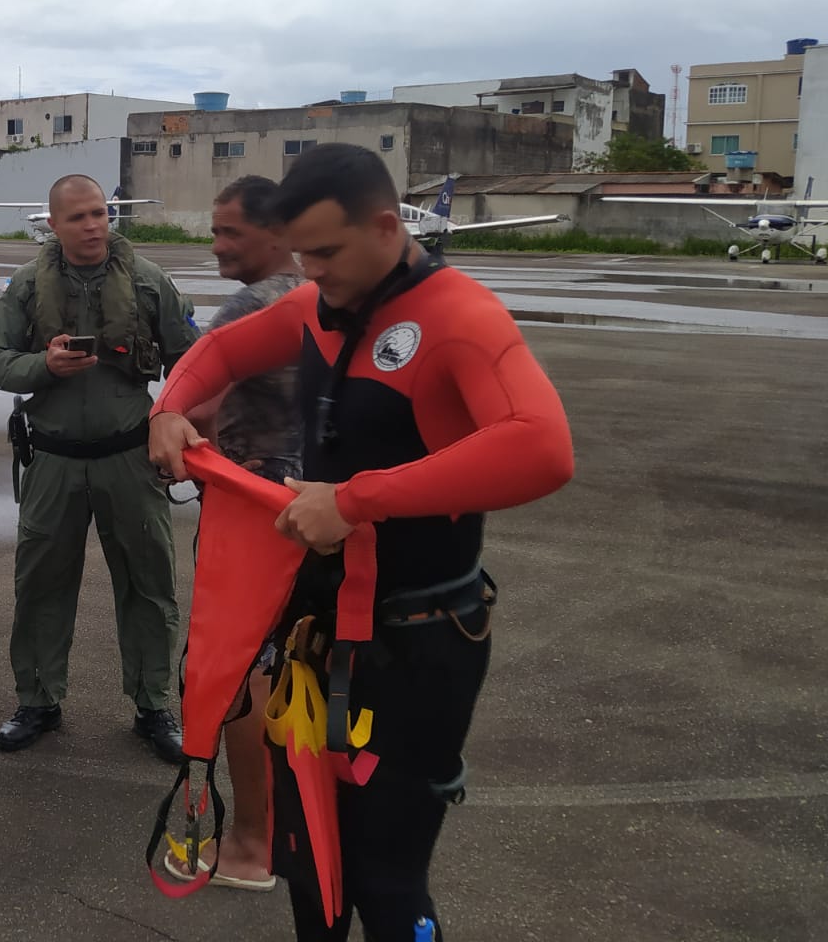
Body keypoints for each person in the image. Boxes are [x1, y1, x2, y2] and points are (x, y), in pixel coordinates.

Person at [148, 144, 573, 940]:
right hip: (320, 637)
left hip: (417, 644)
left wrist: (355, 501)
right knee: (309, 865)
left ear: (386, 227)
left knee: (385, 880)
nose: (312, 271)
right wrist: (172, 405)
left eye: (328, 251)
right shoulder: (322, 304)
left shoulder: (459, 318)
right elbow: (225, 351)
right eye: (303, 253)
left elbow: (543, 448)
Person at [0, 173, 198, 760]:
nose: (93, 225)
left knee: (150, 585)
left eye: (100, 213)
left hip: (129, 457)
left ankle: (154, 706)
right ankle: (38, 700)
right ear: (52, 224)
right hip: (52, 460)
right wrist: (44, 367)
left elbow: (192, 365)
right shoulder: (28, 285)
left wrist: (177, 426)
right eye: (78, 217)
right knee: (41, 586)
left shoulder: (150, 283)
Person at [164, 175, 302, 893]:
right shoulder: (316, 295)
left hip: (254, 512)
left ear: (277, 233)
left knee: (242, 669)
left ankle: (251, 844)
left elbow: (204, 402)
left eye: (230, 234)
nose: (216, 247)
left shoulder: (253, 305)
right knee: (292, 670)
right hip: (311, 504)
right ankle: (290, 825)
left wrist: (172, 442)